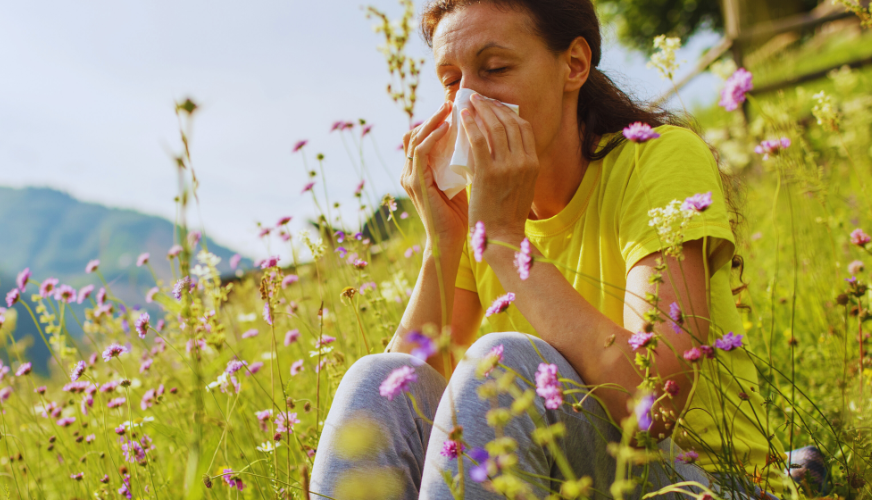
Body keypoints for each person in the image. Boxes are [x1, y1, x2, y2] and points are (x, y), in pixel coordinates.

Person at [308, 0, 818, 498]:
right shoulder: (479, 205)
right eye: (451, 81)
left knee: (503, 364)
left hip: (705, 484)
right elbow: (407, 397)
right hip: (569, 479)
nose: (466, 102)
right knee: (375, 379)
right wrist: (444, 241)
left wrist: (506, 243)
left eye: (494, 69)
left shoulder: (657, 160)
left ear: (573, 65)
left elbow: (652, 405)